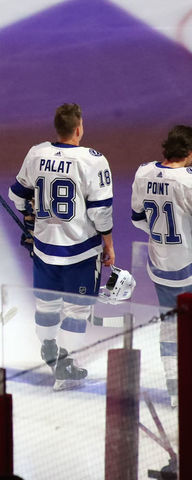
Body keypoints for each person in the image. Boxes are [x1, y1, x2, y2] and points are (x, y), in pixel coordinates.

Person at [8, 103, 115, 390]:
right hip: (80, 250)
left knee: (47, 304)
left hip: (44, 248)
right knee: (77, 310)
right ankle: (65, 363)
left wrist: (30, 222)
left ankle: (48, 346)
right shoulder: (93, 160)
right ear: (78, 128)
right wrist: (109, 244)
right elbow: (100, 212)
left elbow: (17, 196)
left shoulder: (37, 153)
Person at [131, 124, 192, 408]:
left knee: (170, 328)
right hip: (188, 267)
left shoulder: (143, 173)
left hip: (159, 266)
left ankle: (174, 390)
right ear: (189, 153)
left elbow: (137, 218)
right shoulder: (187, 181)